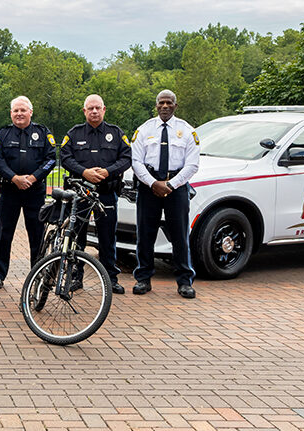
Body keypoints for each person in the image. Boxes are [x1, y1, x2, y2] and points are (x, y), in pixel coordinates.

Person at [131, 89, 200, 299]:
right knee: (145, 235)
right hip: (148, 187)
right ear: (156, 105)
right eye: (161, 103)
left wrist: (170, 184)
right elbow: (136, 161)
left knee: (180, 236)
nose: (165, 106)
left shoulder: (187, 131)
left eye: (169, 103)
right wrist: (153, 183)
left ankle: (185, 281)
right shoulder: (144, 130)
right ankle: (143, 278)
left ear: (175, 106)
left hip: (177, 188)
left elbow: (192, 164)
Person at [60, 94, 132, 294]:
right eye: (90, 108)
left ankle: (110, 278)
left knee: (108, 238)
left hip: (106, 193)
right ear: (84, 111)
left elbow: (127, 158)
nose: (94, 111)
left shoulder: (115, 133)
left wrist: (108, 171)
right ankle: (76, 277)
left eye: (97, 108)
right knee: (78, 237)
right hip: (81, 192)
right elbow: (65, 157)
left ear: (104, 109)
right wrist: (85, 172)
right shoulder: (74, 134)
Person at [0, 96, 56, 290]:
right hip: (10, 190)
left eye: (22, 110)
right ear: (11, 113)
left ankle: (38, 272)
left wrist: (33, 178)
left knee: (37, 234)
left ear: (30, 112)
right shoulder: (3, 133)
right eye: (15, 111)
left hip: (35, 191)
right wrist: (14, 178)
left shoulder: (43, 132)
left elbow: (51, 158)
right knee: (4, 234)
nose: (19, 114)